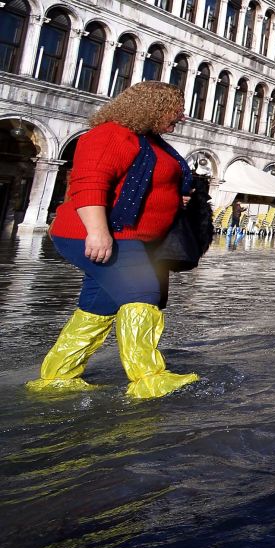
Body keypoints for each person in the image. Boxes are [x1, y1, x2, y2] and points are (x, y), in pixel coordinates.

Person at [26, 82, 199, 399]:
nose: (182, 116)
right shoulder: (109, 135)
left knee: (99, 308)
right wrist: (98, 231)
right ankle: (148, 378)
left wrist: (176, 199)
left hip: (129, 237)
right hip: (101, 233)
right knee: (144, 293)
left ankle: (58, 375)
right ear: (154, 107)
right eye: (176, 109)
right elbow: (90, 184)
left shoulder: (151, 141)